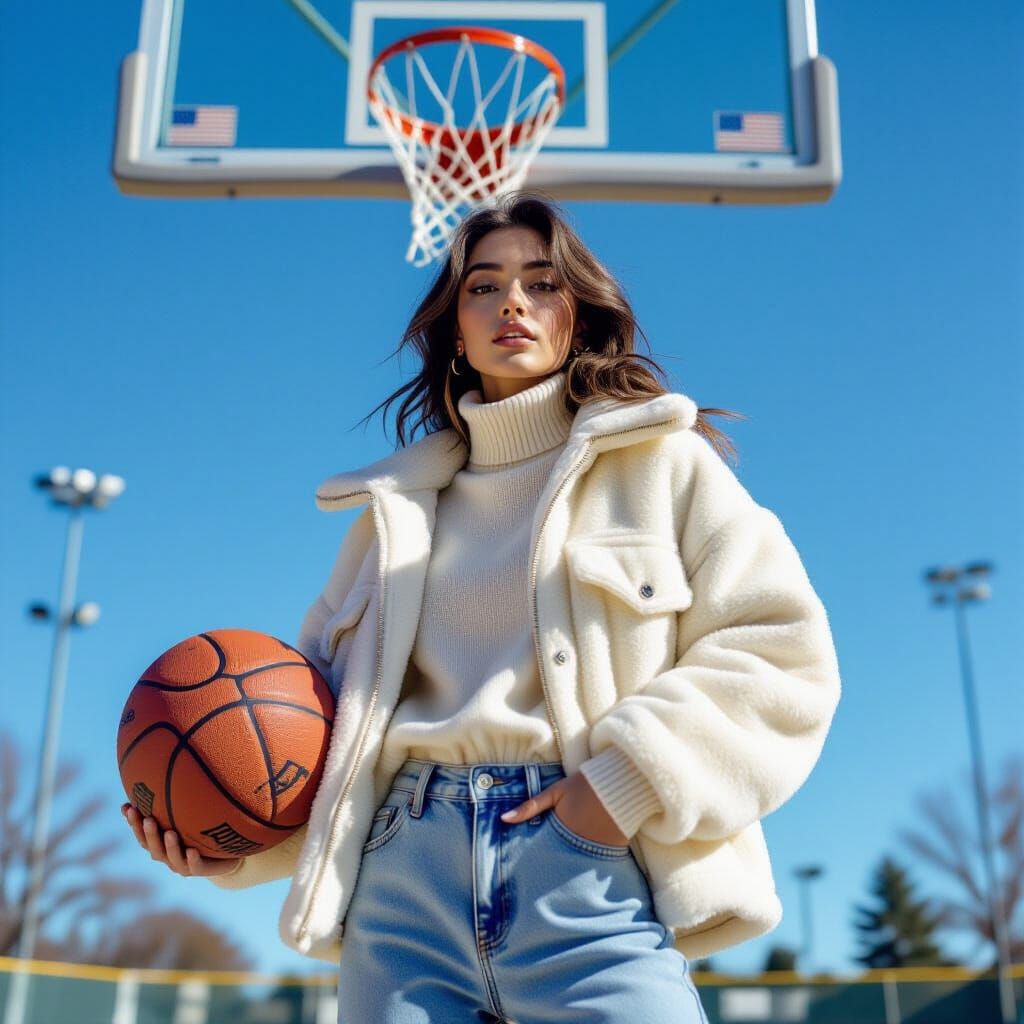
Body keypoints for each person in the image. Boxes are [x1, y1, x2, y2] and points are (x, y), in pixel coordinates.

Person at [123, 191, 842, 1023]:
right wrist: (235, 839)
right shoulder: (391, 512)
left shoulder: (661, 463)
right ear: (453, 329)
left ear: (580, 313)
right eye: (483, 285)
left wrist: (615, 791)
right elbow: (324, 730)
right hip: (402, 883)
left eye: (542, 283)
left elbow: (780, 650)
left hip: (581, 869)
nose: (513, 302)